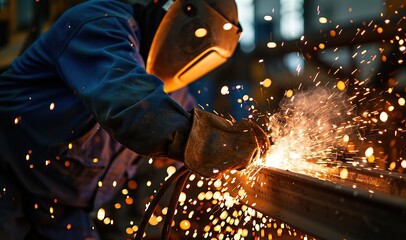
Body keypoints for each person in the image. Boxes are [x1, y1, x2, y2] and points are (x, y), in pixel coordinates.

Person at [0, 0, 270, 239]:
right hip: (7, 178)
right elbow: (132, 105)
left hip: (61, 209)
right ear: (175, 11)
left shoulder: (167, 86)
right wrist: (207, 143)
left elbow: (186, 122)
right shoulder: (100, 25)